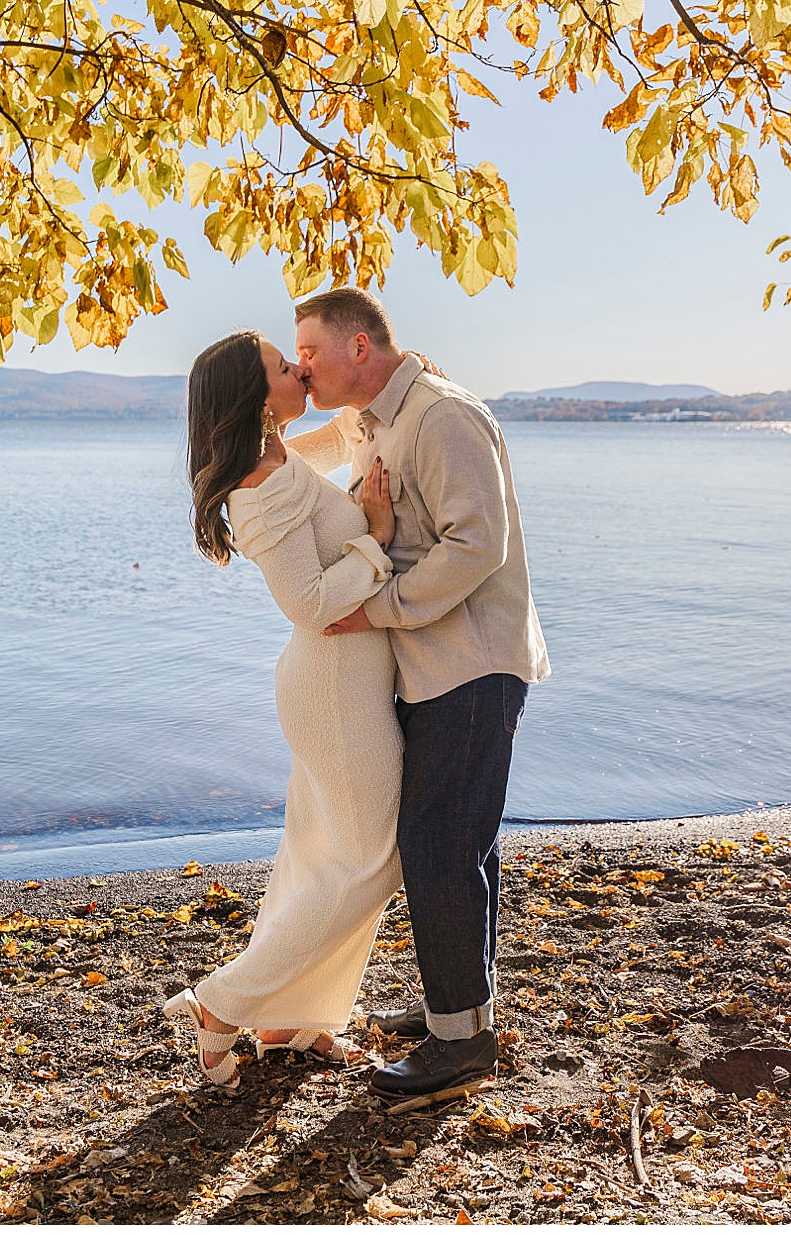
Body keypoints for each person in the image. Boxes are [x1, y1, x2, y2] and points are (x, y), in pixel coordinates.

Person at [286, 286, 550, 1101]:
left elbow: (479, 544)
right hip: (430, 664)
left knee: (437, 845)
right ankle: (462, 1011)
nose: (302, 367)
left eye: (311, 352)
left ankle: (459, 1046)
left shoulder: (440, 416)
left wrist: (376, 608)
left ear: (359, 347)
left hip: (470, 664)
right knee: (459, 845)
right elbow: (287, 468)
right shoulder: (376, 418)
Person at [164, 328, 406, 1088]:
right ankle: (220, 1006)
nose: (300, 368)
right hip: (333, 688)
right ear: (256, 397)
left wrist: (398, 376)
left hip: (342, 684)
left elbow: (341, 435)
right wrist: (378, 541)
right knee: (376, 860)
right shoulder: (260, 486)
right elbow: (308, 605)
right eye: (283, 366)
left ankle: (291, 1021)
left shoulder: (279, 461)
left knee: (319, 857)